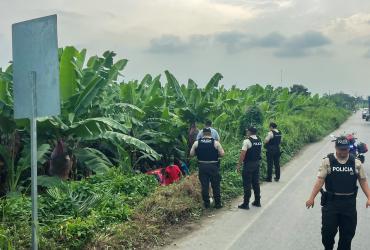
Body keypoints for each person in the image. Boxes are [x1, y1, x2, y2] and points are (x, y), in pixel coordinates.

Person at [306, 136, 370, 250]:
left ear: (348, 149)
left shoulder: (356, 163)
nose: (343, 152)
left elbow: (363, 181)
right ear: (336, 147)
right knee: (327, 233)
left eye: (345, 149)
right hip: (331, 203)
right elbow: (320, 180)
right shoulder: (328, 161)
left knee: (347, 235)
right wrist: (311, 198)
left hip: (349, 204)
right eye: (340, 149)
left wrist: (369, 197)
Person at [190, 128, 225, 209]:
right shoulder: (215, 143)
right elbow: (222, 154)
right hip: (213, 166)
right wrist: (216, 154)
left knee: (204, 186)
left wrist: (198, 153)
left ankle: (207, 204)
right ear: (210, 134)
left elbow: (191, 154)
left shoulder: (197, 143)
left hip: (202, 166)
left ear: (202, 134)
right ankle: (218, 204)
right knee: (215, 185)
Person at [237, 127, 262, 210]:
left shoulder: (247, 141)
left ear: (250, 132)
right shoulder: (259, 139)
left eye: (247, 131)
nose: (246, 132)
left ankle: (246, 203)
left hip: (248, 164)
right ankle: (257, 201)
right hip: (256, 164)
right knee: (256, 183)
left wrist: (239, 165)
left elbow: (242, 154)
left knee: (247, 184)